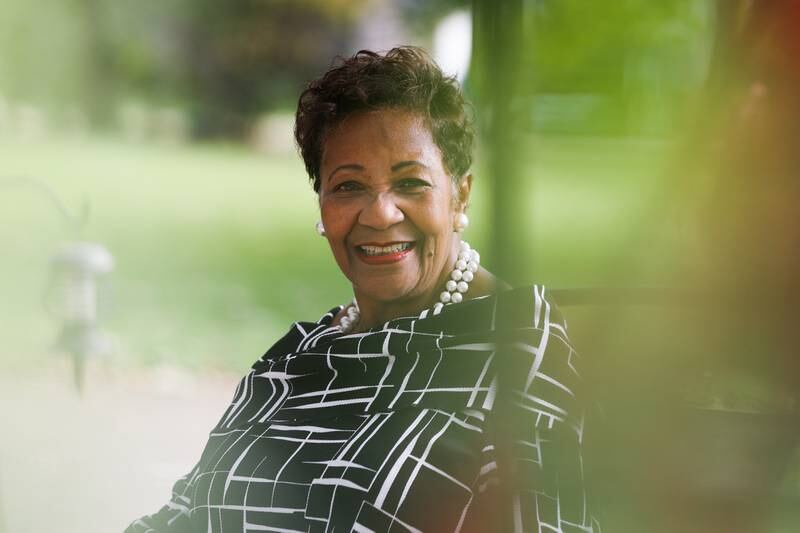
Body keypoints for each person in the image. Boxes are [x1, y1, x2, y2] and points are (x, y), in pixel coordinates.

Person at [126, 46, 597, 533]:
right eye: (349, 186)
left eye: (411, 182)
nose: (379, 214)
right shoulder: (296, 356)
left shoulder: (515, 347)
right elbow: (186, 511)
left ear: (460, 196)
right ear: (323, 206)